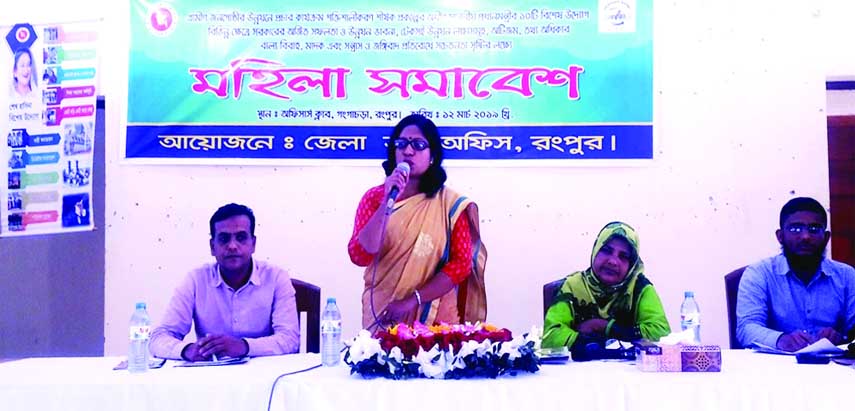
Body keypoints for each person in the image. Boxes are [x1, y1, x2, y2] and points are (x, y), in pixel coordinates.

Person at [348, 114, 487, 330]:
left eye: (419, 145)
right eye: (401, 144)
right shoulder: (374, 198)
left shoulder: (450, 205)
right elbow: (360, 253)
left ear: (433, 156)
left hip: (435, 317)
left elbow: (460, 265)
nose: (408, 151)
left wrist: (413, 300)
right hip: (383, 313)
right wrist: (387, 200)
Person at [150, 203, 300, 360]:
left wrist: (243, 346)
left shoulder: (276, 278)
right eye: (224, 239)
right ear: (212, 246)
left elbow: (289, 340)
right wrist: (186, 350)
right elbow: (159, 338)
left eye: (241, 238)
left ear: (253, 244)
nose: (233, 246)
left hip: (266, 377)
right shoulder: (196, 280)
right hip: (211, 376)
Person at [737, 197, 855, 351]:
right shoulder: (759, 274)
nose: (805, 236)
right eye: (795, 229)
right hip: (774, 368)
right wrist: (781, 339)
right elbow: (746, 328)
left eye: (814, 229)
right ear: (780, 236)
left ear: (826, 238)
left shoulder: (847, 276)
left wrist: (842, 337)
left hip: (834, 366)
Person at [542, 222, 670, 351]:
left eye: (623, 256)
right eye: (606, 251)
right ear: (596, 250)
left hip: (628, 370)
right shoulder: (573, 287)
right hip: (579, 368)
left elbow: (661, 334)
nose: (613, 261)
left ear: (632, 265)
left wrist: (603, 326)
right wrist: (592, 343)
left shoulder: (639, 289)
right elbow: (550, 336)